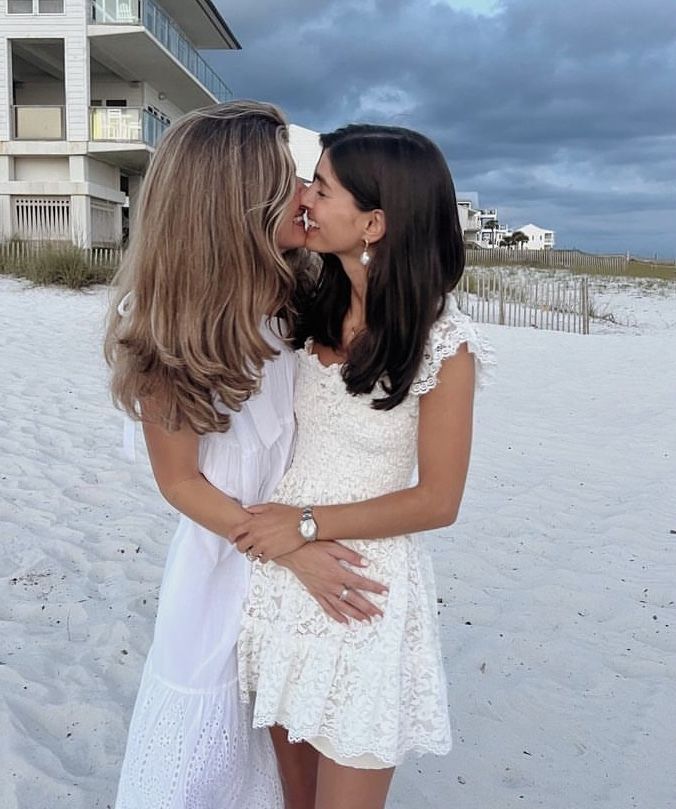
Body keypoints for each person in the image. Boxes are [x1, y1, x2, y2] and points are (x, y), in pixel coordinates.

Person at [104, 103, 387, 809]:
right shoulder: (172, 325)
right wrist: (286, 544)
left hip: (299, 547)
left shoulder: (296, 297)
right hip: (226, 560)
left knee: (291, 738)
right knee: (202, 760)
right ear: (237, 202)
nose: (308, 196)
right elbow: (179, 481)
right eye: (292, 182)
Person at [235, 124, 495, 809]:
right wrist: (288, 539)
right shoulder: (298, 307)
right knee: (295, 797)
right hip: (283, 575)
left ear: (374, 222)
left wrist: (308, 525)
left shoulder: (444, 342)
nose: (304, 200)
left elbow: (439, 499)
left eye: (321, 188)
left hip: (360, 587)